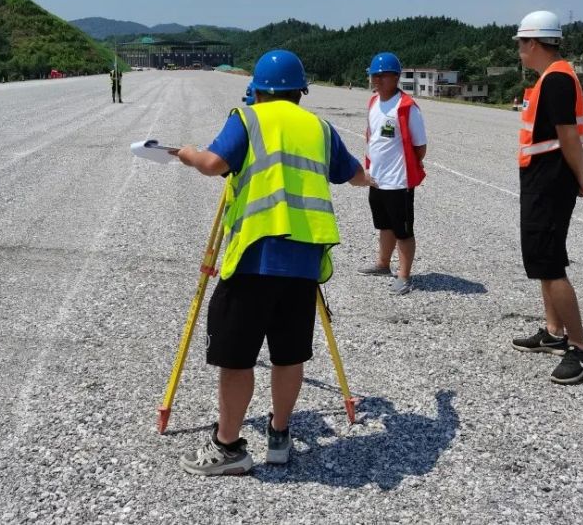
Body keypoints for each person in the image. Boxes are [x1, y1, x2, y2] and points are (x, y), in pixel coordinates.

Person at [173, 49, 373, 476]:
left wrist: (185, 152)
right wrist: (374, 178)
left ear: (257, 91)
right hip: (303, 265)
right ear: (300, 91)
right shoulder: (320, 128)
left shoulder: (248, 119)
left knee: (237, 357)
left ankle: (228, 448)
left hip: (254, 258)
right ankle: (279, 436)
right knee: (288, 355)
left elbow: (212, 165)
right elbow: (353, 174)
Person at [510, 10, 583, 385]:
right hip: (542, 179)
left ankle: (580, 347)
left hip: (550, 183)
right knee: (541, 260)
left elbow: (568, 137)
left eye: (520, 44)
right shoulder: (551, 78)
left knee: (550, 263)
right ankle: (553, 332)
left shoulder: (558, 79)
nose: (519, 51)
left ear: (533, 42)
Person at [356, 52, 427, 296]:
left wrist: (405, 169)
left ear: (395, 77)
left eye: (382, 76)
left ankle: (404, 276)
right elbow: (371, 134)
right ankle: (383, 264)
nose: (376, 80)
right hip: (377, 179)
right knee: (384, 224)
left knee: (403, 230)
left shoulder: (407, 107)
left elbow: (420, 147)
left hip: (399, 181)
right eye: (373, 76)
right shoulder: (373, 102)